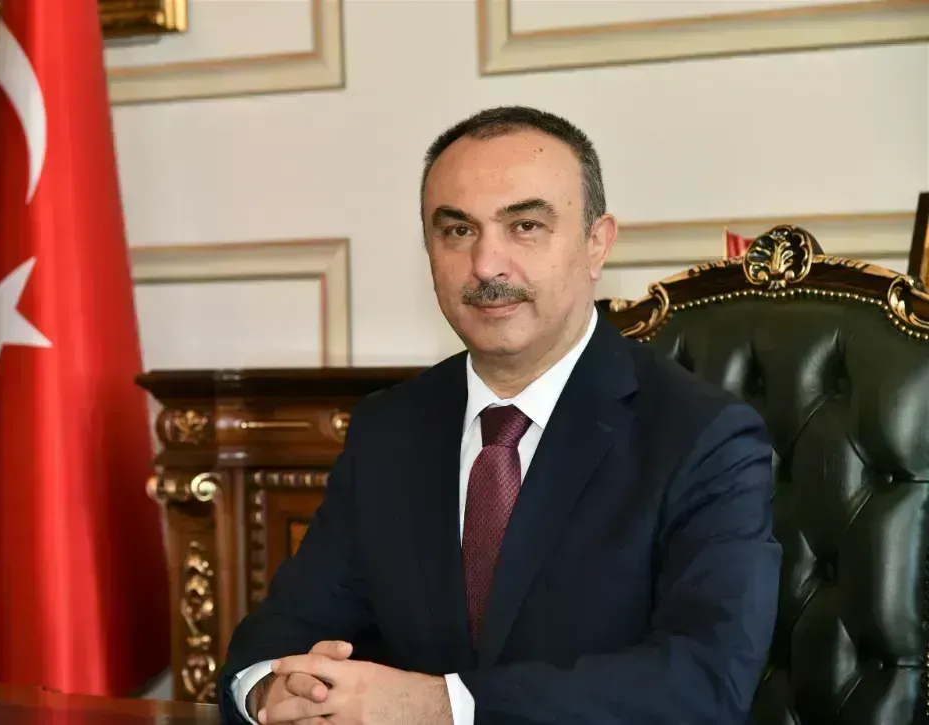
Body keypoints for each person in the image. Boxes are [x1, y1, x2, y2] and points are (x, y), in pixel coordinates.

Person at [217, 105, 781, 725]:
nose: (486, 265)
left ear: (597, 243)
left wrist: (442, 707)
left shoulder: (703, 437)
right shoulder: (390, 428)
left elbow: (704, 683)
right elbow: (280, 633)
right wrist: (273, 692)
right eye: (458, 231)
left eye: (526, 226)